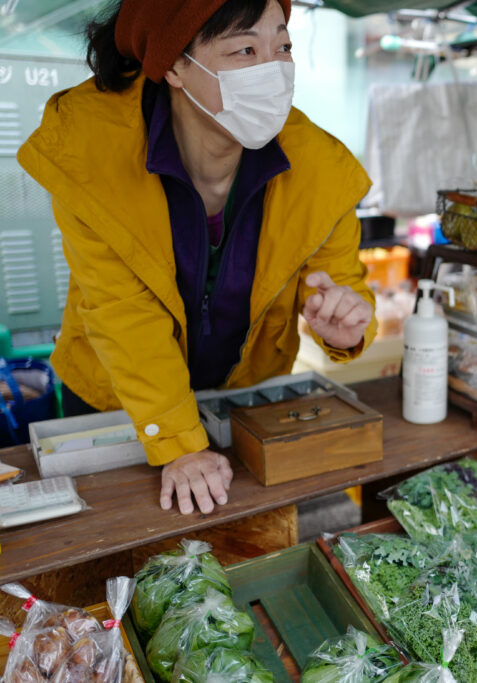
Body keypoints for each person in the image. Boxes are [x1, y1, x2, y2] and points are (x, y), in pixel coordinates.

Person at [17, 0, 376, 515]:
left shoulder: (322, 169)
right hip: (120, 399)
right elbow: (122, 313)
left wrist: (346, 325)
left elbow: (341, 282)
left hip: (242, 397)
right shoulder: (87, 153)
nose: (273, 69)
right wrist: (182, 445)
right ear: (177, 64)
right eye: (245, 49)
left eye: (284, 47)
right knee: (123, 536)